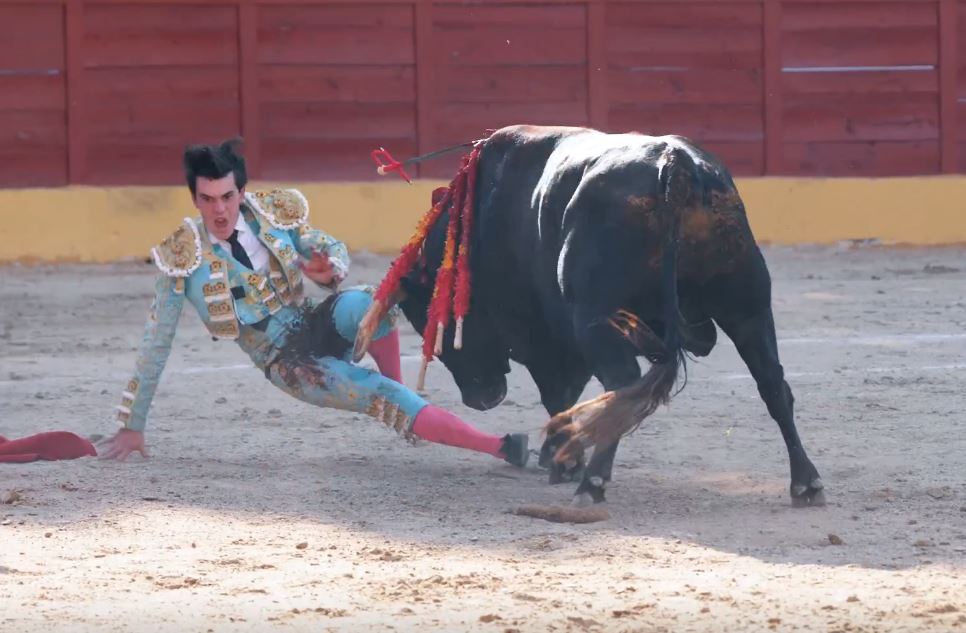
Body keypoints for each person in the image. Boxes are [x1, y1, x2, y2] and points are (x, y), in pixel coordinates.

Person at [99, 138, 529, 468]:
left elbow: (329, 246)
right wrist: (131, 426)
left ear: (242, 192)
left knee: (372, 300)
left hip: (315, 319)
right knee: (379, 393)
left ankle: (399, 392)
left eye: (227, 197)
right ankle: (501, 447)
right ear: (194, 199)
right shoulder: (182, 259)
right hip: (284, 359)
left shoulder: (271, 214)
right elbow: (156, 345)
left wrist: (330, 270)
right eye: (208, 199)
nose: (219, 210)